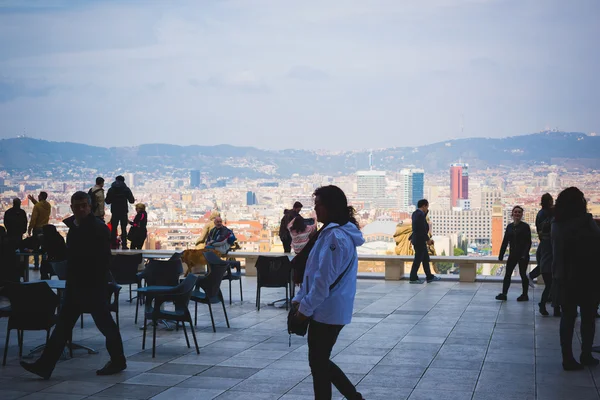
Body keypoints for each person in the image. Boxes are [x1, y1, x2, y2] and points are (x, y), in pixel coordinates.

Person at [21, 191, 126, 379]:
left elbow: (103, 260)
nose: (81, 209)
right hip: (77, 285)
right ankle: (45, 365)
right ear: (72, 207)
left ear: (89, 206)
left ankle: (118, 361)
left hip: (92, 285)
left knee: (104, 325)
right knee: (64, 326)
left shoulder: (98, 229)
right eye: (77, 206)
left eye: (84, 205)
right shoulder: (76, 227)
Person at [291, 185, 365, 400]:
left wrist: (303, 309)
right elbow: (313, 274)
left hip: (326, 311)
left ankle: (354, 397)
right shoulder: (335, 233)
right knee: (319, 361)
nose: (316, 211)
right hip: (329, 309)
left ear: (330, 207)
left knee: (318, 362)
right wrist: (299, 299)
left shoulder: (334, 237)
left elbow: (322, 282)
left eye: (318, 206)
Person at [551, 187, 600, 371]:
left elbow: (557, 253)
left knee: (567, 318)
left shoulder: (556, 224)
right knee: (588, 318)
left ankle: (567, 358)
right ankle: (586, 354)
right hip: (588, 276)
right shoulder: (586, 222)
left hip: (564, 278)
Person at [496, 206, 532, 301]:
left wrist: (524, 254)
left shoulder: (525, 227)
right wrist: (501, 254)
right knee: (507, 274)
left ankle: (525, 295)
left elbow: (528, 242)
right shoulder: (509, 227)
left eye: (519, 212)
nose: (517, 214)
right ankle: (504, 294)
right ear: (512, 214)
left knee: (523, 274)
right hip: (513, 254)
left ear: (521, 215)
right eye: (515, 212)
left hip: (523, 255)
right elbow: (505, 241)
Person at [534, 194, 559, 316]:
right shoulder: (554, 239)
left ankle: (547, 305)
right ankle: (554, 308)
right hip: (551, 265)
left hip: (545, 264)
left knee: (550, 286)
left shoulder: (540, 215)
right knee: (553, 286)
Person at [409, 199, 440, 284]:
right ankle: (413, 278)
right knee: (418, 260)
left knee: (425, 259)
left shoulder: (416, 213)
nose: (427, 209)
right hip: (420, 240)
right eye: (427, 207)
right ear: (424, 206)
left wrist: (425, 213)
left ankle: (429, 276)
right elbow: (421, 229)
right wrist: (428, 240)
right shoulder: (420, 215)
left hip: (418, 239)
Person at [528, 193, 554, 287]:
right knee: (546, 264)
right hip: (548, 241)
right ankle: (531, 275)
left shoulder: (540, 213)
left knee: (545, 263)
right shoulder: (548, 213)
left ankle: (531, 275)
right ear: (550, 201)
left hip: (543, 241)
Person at [105, 176, 135, 249]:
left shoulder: (111, 189)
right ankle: (124, 245)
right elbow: (131, 200)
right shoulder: (126, 189)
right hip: (123, 211)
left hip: (114, 211)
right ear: (123, 181)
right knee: (124, 229)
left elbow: (107, 201)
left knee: (114, 228)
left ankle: (113, 244)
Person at [27, 192, 52, 269]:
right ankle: (44, 265)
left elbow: (33, 219)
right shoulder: (48, 205)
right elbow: (41, 206)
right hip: (45, 229)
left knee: (36, 248)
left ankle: (36, 265)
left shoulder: (37, 206)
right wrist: (33, 200)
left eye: (39, 195)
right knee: (44, 248)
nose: (38, 196)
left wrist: (29, 228)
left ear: (41, 197)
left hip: (37, 228)